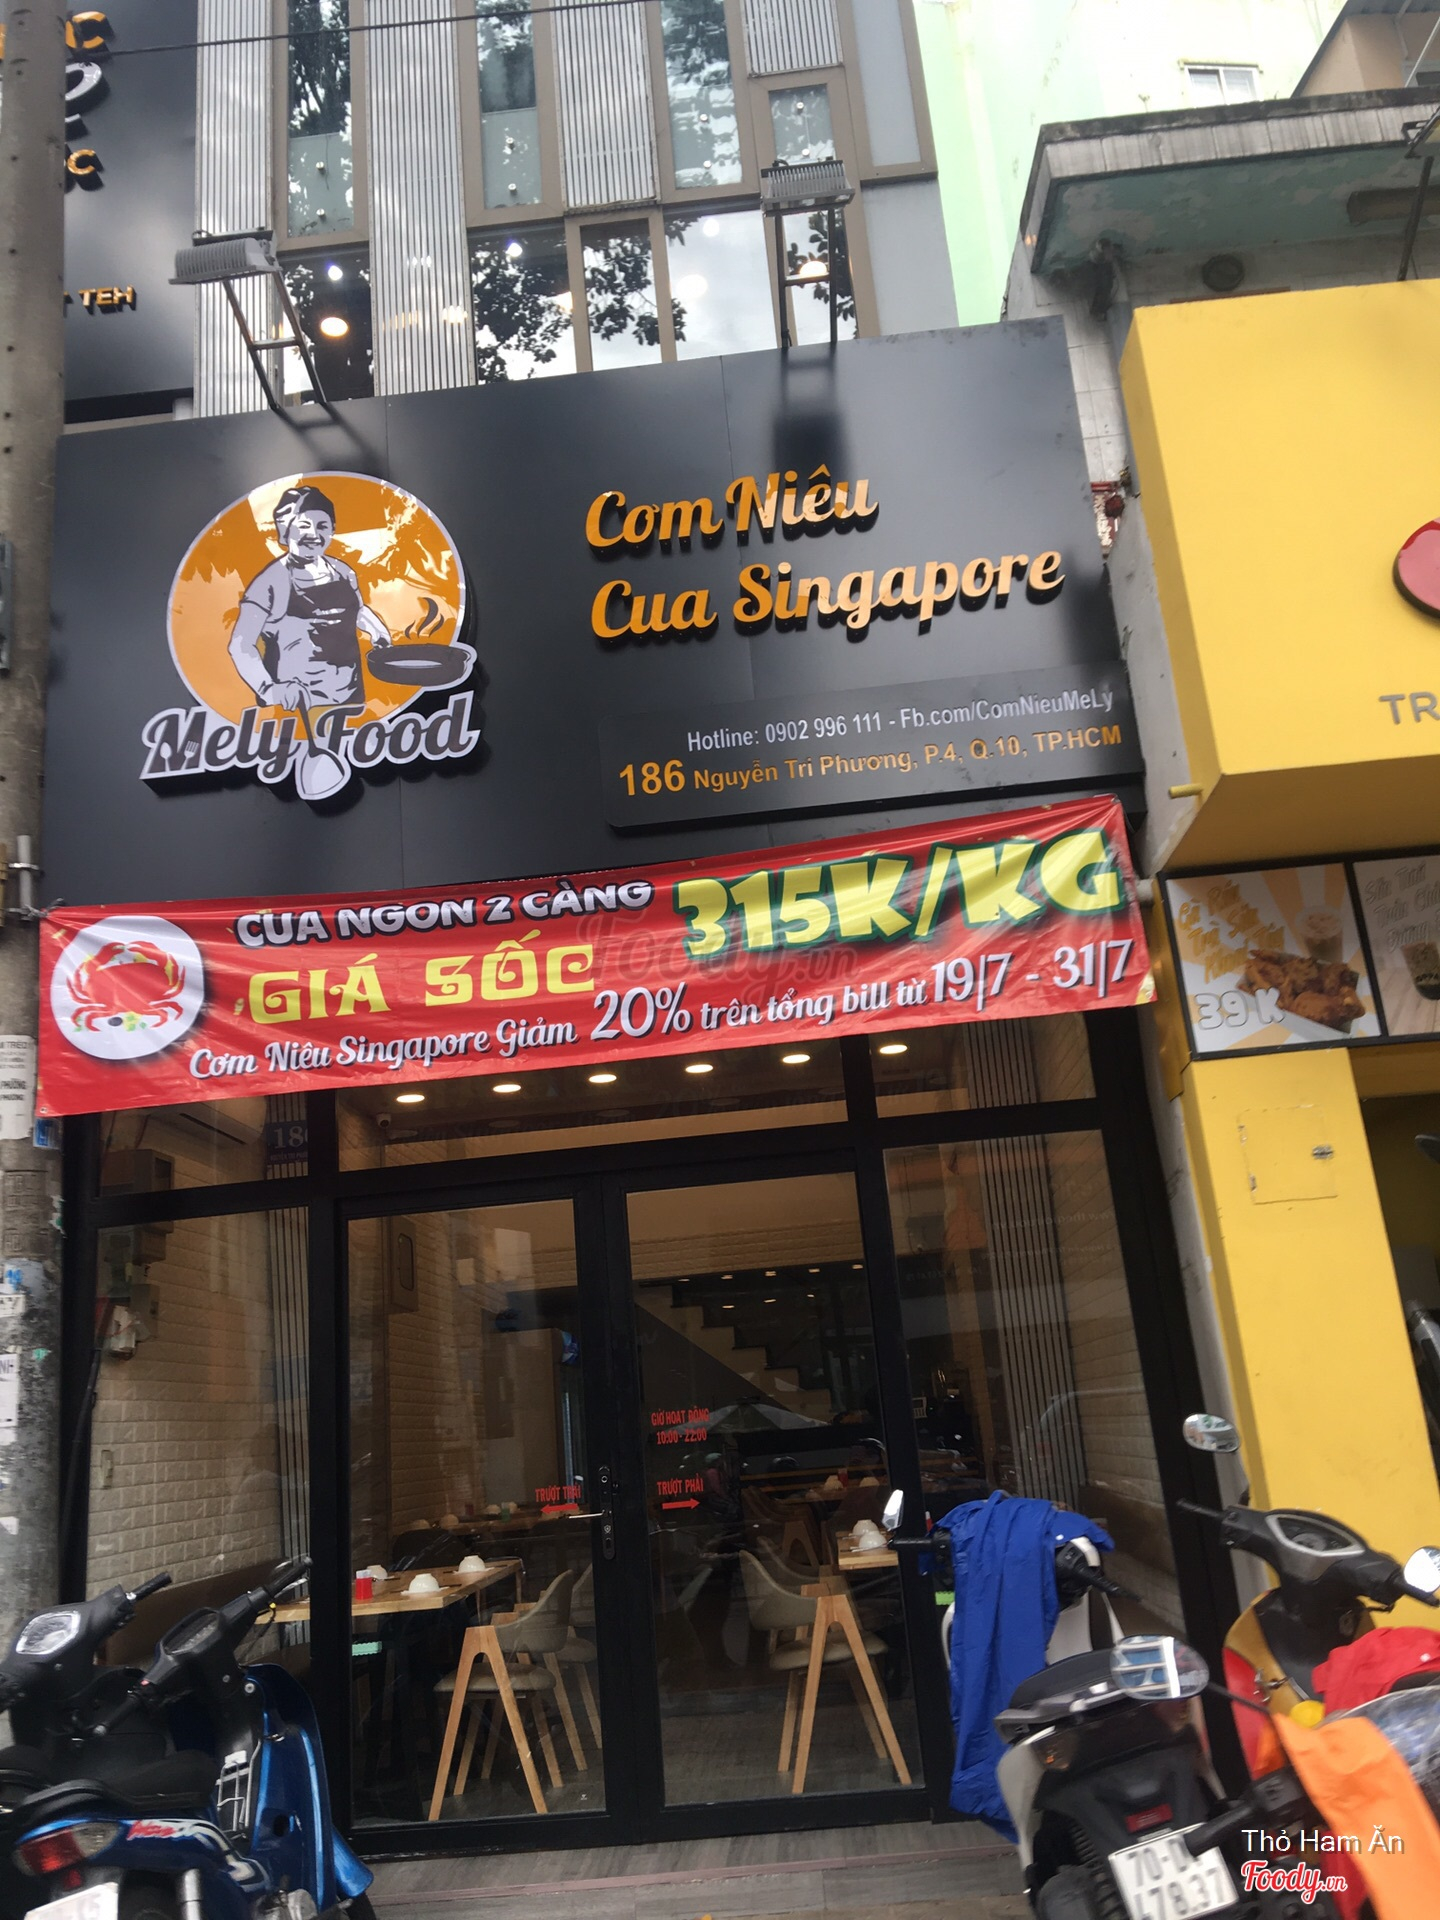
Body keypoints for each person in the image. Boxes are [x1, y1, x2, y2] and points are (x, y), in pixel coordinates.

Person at [228, 483, 393, 710]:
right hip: (296, 704)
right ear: (285, 530)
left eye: (322, 526)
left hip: (350, 695)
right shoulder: (271, 581)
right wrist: (269, 689)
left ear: (332, 530)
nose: (314, 534)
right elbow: (241, 644)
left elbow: (358, 610)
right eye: (304, 525)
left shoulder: (343, 572)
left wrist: (378, 632)